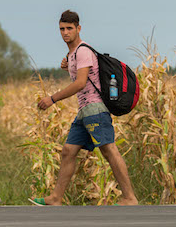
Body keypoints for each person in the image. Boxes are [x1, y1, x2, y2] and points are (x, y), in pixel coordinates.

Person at [30, 10, 138, 206]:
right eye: (62, 29)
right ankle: (56, 198)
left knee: (109, 149)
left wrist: (52, 99)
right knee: (68, 151)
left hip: (95, 109)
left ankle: (129, 197)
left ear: (78, 28)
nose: (65, 33)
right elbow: (84, 77)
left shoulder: (83, 51)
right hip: (84, 111)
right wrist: (68, 65)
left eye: (69, 28)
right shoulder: (73, 54)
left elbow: (80, 83)